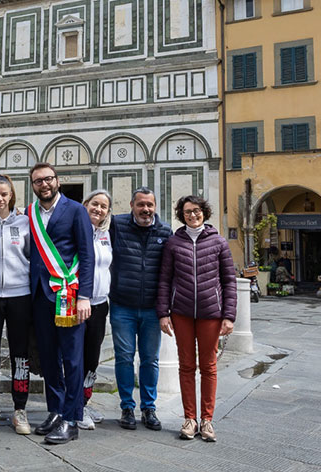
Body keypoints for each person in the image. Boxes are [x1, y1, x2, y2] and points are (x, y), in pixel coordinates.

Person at [157, 195, 236, 442]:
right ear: (182, 214)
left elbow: (229, 281)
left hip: (211, 313)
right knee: (187, 366)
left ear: (205, 212)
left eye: (197, 210)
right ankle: (190, 419)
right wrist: (163, 313)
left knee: (209, 367)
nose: (193, 215)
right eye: (188, 211)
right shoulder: (173, 242)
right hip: (181, 313)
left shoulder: (219, 242)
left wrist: (229, 316)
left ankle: (207, 420)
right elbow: (164, 280)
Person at [27, 163, 94, 445]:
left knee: (72, 358)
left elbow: (87, 254)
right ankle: (55, 411)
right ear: (32, 185)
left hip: (68, 295)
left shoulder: (76, 210)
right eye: (38, 181)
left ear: (58, 181)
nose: (44, 184)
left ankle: (71, 419)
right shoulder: (31, 214)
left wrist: (85, 296)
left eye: (48, 179)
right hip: (41, 296)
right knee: (48, 358)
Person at [109, 187, 172, 431]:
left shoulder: (165, 230)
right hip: (122, 305)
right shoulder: (117, 225)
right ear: (132, 206)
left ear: (155, 206)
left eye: (150, 205)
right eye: (141, 204)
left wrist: (166, 308)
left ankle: (149, 408)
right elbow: (90, 221)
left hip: (152, 309)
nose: (146, 209)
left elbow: (170, 270)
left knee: (150, 360)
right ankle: (127, 406)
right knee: (124, 358)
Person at [0, 175, 32, 435]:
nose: (0, 198)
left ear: (11, 195)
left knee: (20, 355)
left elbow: (33, 257)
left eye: (5, 194)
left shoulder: (24, 222)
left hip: (19, 294)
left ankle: (20, 409)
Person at [78, 190, 113, 430]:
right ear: (85, 204)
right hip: (77, 304)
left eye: (103, 206)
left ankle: (84, 401)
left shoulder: (106, 234)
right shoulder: (75, 230)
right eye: (94, 204)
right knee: (75, 357)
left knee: (92, 358)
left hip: (100, 304)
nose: (98, 209)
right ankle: (74, 406)